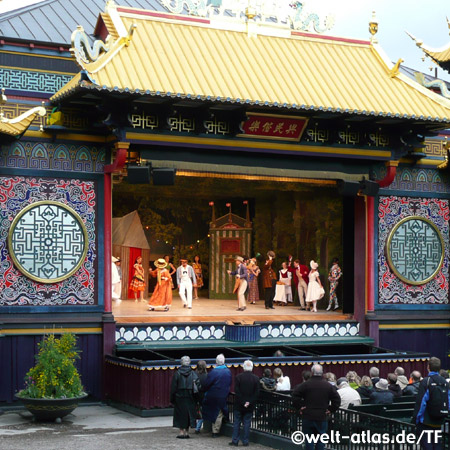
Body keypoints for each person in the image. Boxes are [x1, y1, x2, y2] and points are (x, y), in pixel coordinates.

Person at [292, 364, 341, 450]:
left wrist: (300, 406)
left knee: (309, 439)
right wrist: (330, 409)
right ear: (322, 373)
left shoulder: (305, 385)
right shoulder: (328, 386)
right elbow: (337, 400)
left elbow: (295, 396)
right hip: (322, 415)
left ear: (312, 373)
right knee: (320, 439)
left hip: (308, 415)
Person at [413, 357, 450, 450]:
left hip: (426, 420)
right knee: (437, 444)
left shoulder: (426, 381)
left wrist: (416, 419)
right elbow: (448, 400)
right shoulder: (445, 382)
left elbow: (422, 403)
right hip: (440, 419)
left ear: (428, 367)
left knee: (427, 444)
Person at [229, 360, 260, 447]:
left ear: (243, 367)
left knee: (237, 423)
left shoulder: (238, 377)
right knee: (247, 424)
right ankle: (245, 441)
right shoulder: (256, 378)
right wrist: (249, 402)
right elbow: (256, 393)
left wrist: (243, 402)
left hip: (239, 404)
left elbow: (237, 391)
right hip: (249, 405)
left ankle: (235, 440)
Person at [170, 355, 200, 439]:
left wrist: (172, 399)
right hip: (190, 397)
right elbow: (198, 387)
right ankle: (186, 432)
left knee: (180, 414)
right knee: (188, 414)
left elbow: (173, 388)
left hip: (179, 397)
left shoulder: (177, 373)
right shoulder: (193, 373)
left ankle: (181, 432)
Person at [202, 354, 232, 437]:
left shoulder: (214, 372)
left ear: (216, 362)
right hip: (223, 395)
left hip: (212, 395)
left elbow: (207, 384)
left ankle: (214, 430)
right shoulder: (228, 371)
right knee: (220, 412)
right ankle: (215, 430)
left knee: (215, 412)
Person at [194, 360, 208, 434]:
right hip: (203, 395)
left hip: (195, 395)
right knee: (202, 412)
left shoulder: (194, 374)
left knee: (195, 410)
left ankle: (194, 425)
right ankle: (198, 427)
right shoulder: (206, 375)